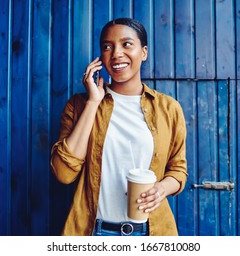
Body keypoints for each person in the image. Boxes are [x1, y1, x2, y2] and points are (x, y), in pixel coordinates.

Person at [50, 18, 187, 236]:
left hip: (153, 233)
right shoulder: (78, 106)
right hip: (95, 233)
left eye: (126, 44)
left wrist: (162, 189)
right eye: (107, 46)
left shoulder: (169, 109)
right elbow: (64, 173)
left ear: (144, 52)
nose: (116, 54)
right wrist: (93, 103)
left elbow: (178, 170)